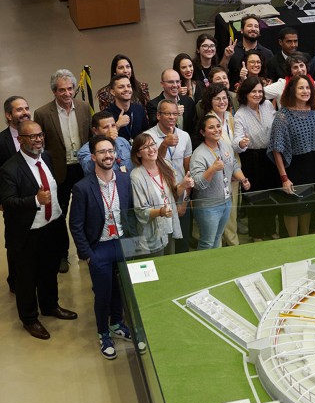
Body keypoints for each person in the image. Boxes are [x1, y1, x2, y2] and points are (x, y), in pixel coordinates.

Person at [1, 120, 77, 340]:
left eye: (40, 135)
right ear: (20, 140)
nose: (38, 140)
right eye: (32, 137)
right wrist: (34, 200)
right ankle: (29, 318)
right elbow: (8, 202)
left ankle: (50, 305)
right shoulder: (9, 169)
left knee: (49, 269)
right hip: (27, 233)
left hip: (51, 226)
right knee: (27, 278)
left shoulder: (47, 157)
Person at [69, 135, 135, 358]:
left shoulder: (125, 180)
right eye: (102, 152)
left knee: (121, 290)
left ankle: (117, 323)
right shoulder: (82, 188)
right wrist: (88, 255)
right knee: (103, 293)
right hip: (99, 248)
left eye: (110, 151)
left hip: (122, 244)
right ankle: (103, 332)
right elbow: (75, 225)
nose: (107, 155)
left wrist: (132, 242)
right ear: (93, 156)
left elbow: (131, 213)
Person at [34, 69, 91, 273]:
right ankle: (61, 254)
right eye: (62, 90)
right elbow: (40, 145)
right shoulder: (42, 113)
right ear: (54, 92)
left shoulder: (84, 107)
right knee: (59, 214)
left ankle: (88, 249)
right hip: (59, 172)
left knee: (87, 210)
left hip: (83, 169)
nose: (67, 94)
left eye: (70, 89)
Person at [268, 75, 315, 236]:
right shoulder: (282, 115)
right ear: (291, 90)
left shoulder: (314, 111)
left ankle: (304, 238)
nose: (305, 91)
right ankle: (292, 242)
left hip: (312, 167)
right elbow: (276, 149)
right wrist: (284, 178)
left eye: (307, 88)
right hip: (292, 168)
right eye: (301, 87)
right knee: (292, 208)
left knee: (307, 205)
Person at [190, 114, 250, 249]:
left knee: (218, 238)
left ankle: (215, 267)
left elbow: (234, 164)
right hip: (208, 206)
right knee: (207, 242)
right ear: (202, 132)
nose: (216, 130)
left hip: (226, 202)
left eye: (218, 126)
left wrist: (242, 179)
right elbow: (198, 184)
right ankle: (204, 269)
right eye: (211, 127)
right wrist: (212, 169)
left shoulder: (224, 145)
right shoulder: (199, 154)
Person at [143, 98, 194, 251]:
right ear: (158, 115)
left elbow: (188, 171)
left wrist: (184, 201)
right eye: (167, 114)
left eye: (175, 113)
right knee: (163, 247)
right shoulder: (147, 137)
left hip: (180, 195)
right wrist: (164, 144)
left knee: (183, 244)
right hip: (159, 199)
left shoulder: (184, 136)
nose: (172, 117)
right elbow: (150, 167)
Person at [129, 133, 193, 255]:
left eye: (153, 144)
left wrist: (184, 185)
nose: (151, 149)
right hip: (153, 231)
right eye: (145, 147)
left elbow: (174, 194)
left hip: (169, 224)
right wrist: (160, 212)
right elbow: (141, 210)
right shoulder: (136, 175)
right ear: (138, 153)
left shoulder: (166, 165)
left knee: (170, 263)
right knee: (157, 266)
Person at [234, 77, 280, 241]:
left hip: (269, 155)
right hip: (251, 158)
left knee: (271, 193)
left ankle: (271, 229)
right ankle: (257, 233)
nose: (258, 94)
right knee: (255, 195)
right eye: (254, 91)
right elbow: (236, 141)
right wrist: (241, 142)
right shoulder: (240, 114)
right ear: (246, 93)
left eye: (260, 91)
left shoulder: (267, 105)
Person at [199, 83, 241, 246]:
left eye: (224, 98)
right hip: (217, 174)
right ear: (210, 101)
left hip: (233, 169)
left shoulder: (230, 116)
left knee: (232, 213)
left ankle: (230, 243)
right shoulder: (209, 119)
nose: (222, 101)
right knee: (223, 215)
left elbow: (232, 146)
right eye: (217, 99)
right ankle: (230, 245)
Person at [0, 96, 30, 293]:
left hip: (37, 200)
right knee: (16, 244)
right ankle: (16, 282)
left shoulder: (35, 135)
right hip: (12, 202)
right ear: (8, 115)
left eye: (27, 108)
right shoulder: (1, 141)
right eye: (19, 110)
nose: (25, 112)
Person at [225, 13, 274, 82]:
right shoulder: (233, 51)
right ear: (241, 30)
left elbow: (271, 78)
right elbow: (222, 71)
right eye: (250, 26)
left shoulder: (267, 53)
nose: (253, 29)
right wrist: (226, 57)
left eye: (256, 26)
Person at [105, 74, 149, 143]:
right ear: (113, 92)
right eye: (121, 87)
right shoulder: (107, 115)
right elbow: (103, 142)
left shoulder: (139, 109)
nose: (126, 89)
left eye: (129, 86)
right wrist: (117, 125)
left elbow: (146, 133)